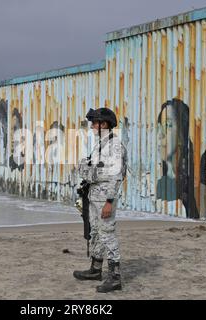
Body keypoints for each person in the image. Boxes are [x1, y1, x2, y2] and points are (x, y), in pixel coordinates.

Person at [73, 108, 128, 293]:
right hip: (94, 195)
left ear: (103, 124)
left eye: (94, 123)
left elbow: (116, 176)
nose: (91, 126)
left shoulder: (115, 146)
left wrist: (110, 201)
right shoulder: (100, 144)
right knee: (95, 232)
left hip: (105, 197)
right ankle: (96, 269)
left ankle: (115, 277)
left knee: (107, 233)